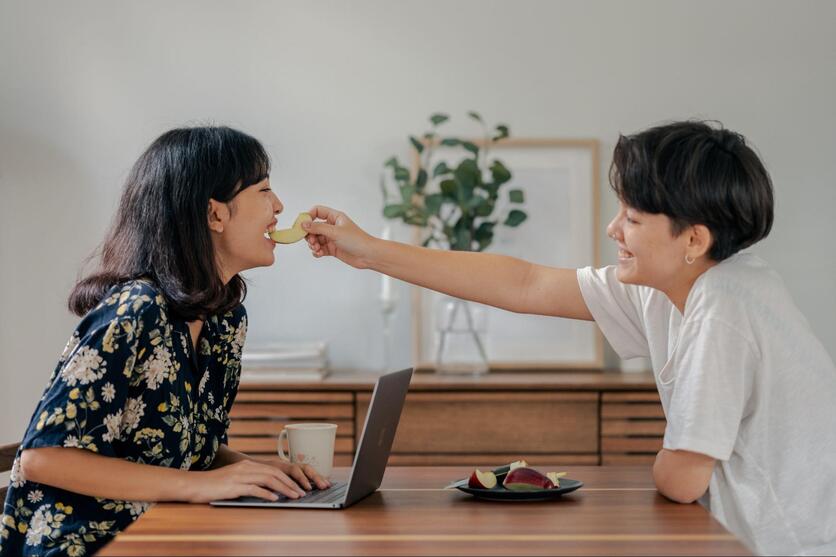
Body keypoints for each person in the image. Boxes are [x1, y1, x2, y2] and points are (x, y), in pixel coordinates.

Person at [301, 121, 836, 556]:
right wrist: (367, 250)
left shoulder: (724, 306)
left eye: (631, 217)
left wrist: (671, 458)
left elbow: (681, 480)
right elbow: (525, 284)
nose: (613, 230)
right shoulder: (678, 286)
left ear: (693, 239)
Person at [0, 126, 330, 557]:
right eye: (264, 189)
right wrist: (202, 485)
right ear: (215, 215)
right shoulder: (136, 309)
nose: (279, 206)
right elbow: (43, 457)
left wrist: (257, 471)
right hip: (91, 545)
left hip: (166, 531)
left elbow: (187, 441)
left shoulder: (224, 319)